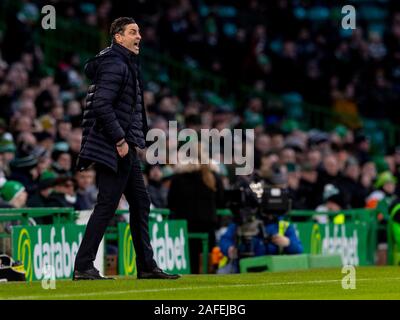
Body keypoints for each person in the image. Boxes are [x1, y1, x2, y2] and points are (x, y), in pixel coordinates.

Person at [73, 17, 179, 280]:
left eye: (139, 32)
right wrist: (120, 140)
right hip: (114, 146)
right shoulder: (115, 64)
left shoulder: (121, 62)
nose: (139, 36)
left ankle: (145, 266)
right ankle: (84, 266)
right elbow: (101, 104)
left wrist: (134, 140)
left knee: (140, 202)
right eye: (133, 32)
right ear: (118, 37)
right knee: (107, 205)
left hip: (123, 146)